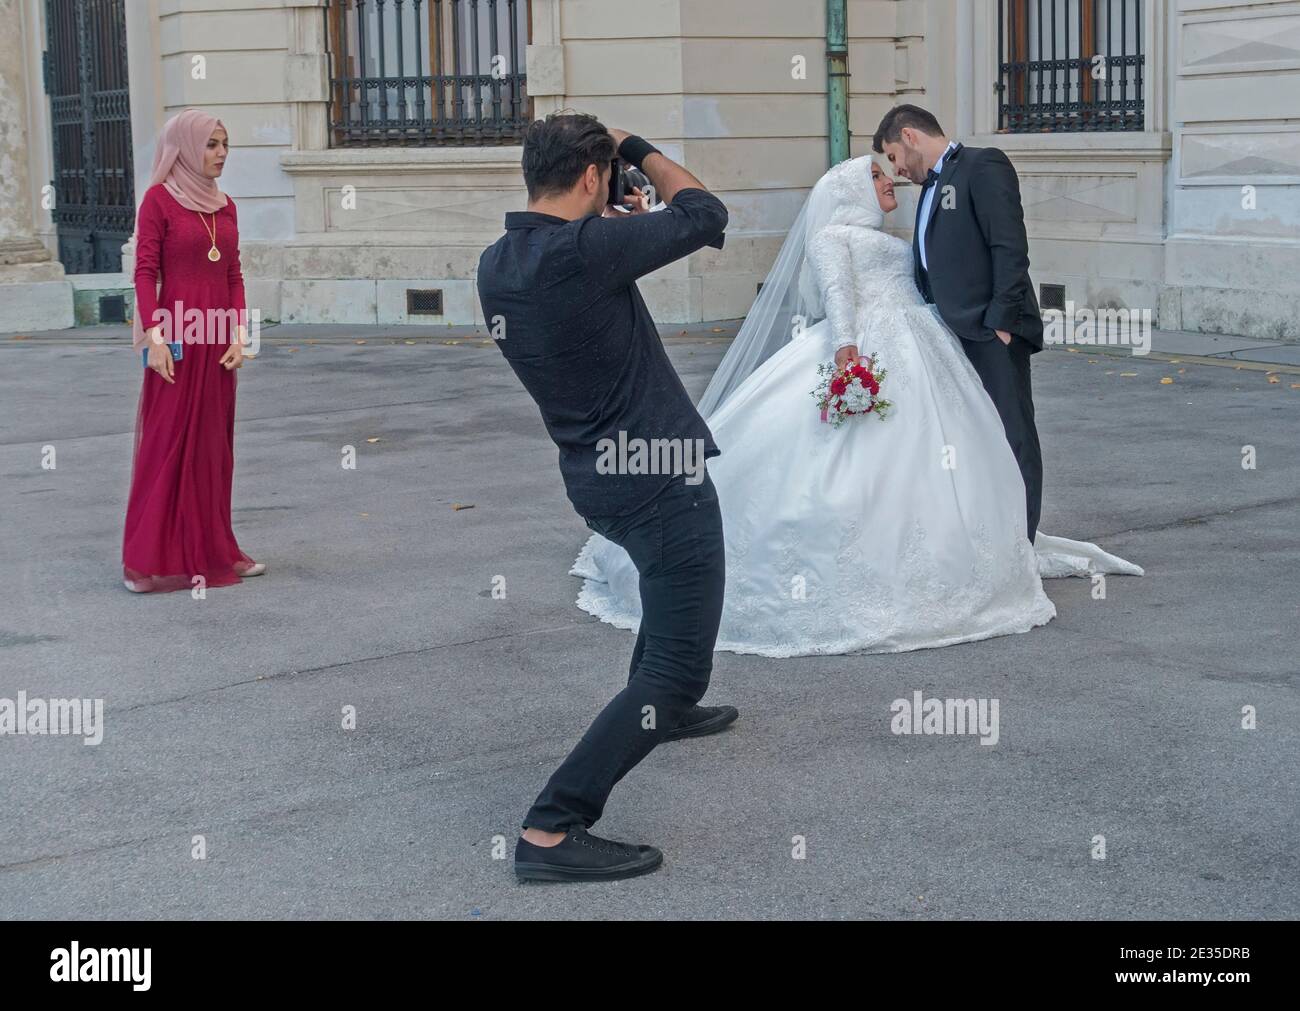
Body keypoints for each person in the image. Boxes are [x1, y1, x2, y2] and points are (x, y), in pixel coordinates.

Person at [572, 154, 1142, 658]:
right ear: (847, 191)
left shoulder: (893, 240)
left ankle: (961, 558)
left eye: (886, 169)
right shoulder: (833, 238)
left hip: (922, 346)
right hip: (866, 346)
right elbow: (839, 292)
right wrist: (848, 351)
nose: (888, 179)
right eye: (874, 174)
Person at [476, 112, 738, 882]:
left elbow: (588, 290)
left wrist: (614, 228)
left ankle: (666, 713)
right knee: (679, 665)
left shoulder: (499, 262)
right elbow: (706, 214)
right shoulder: (588, 250)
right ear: (592, 176)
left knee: (667, 604)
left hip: (596, 477)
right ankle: (552, 826)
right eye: (608, 170)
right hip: (660, 479)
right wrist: (636, 148)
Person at [874, 104, 1044, 539]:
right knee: (972, 439)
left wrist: (1000, 325)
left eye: (892, 157)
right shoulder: (931, 187)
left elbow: (1009, 247)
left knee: (1011, 435)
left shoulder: (982, 165)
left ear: (910, 137)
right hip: (947, 335)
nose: (894, 170)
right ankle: (987, 536)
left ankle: (1021, 544)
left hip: (990, 332)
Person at [122, 109, 261, 594]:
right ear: (184, 147)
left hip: (218, 340)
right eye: (211, 145)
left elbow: (234, 275)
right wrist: (154, 338)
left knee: (213, 451)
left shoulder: (226, 207)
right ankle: (148, 560)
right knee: (167, 446)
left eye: (225, 145)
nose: (221, 154)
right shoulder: (158, 201)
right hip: (176, 341)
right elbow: (144, 273)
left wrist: (239, 336)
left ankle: (219, 550)